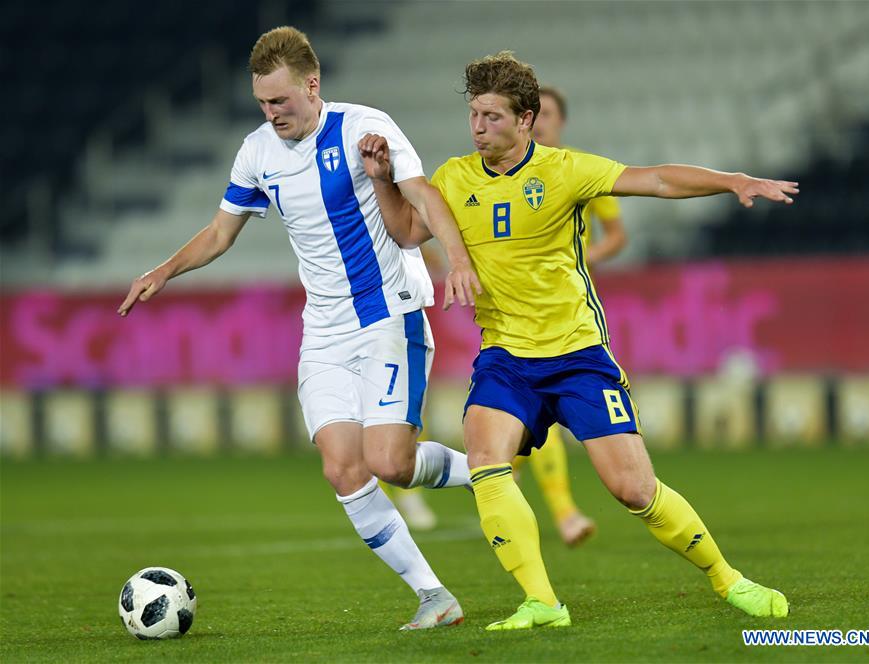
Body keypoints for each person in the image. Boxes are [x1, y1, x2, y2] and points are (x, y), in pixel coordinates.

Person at [358, 51, 795, 630]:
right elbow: (407, 231)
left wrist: (733, 181)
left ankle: (727, 578)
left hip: (578, 355)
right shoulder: (454, 177)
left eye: (491, 116)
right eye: (474, 115)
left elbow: (657, 178)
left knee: (633, 489)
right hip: (506, 357)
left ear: (526, 119)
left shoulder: (565, 170)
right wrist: (383, 181)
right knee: (488, 460)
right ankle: (542, 602)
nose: (478, 127)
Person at [118, 26, 483, 631]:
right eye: (262, 103)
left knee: (389, 463)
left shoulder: (367, 126)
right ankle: (433, 596)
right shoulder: (257, 150)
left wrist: (459, 262)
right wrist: (164, 270)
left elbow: (423, 196)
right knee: (343, 467)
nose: (271, 113)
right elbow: (220, 232)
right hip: (324, 334)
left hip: (387, 314)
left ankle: (481, 470)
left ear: (313, 86)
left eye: (281, 101)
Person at [506, 84, 630, 547]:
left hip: (570, 310)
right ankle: (561, 511)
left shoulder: (580, 171)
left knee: (533, 414)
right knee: (530, 408)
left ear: (562, 122)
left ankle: (509, 476)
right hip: (514, 315)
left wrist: (585, 253)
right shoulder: (501, 174)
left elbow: (617, 234)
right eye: (535, 114)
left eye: (550, 115)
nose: (541, 123)